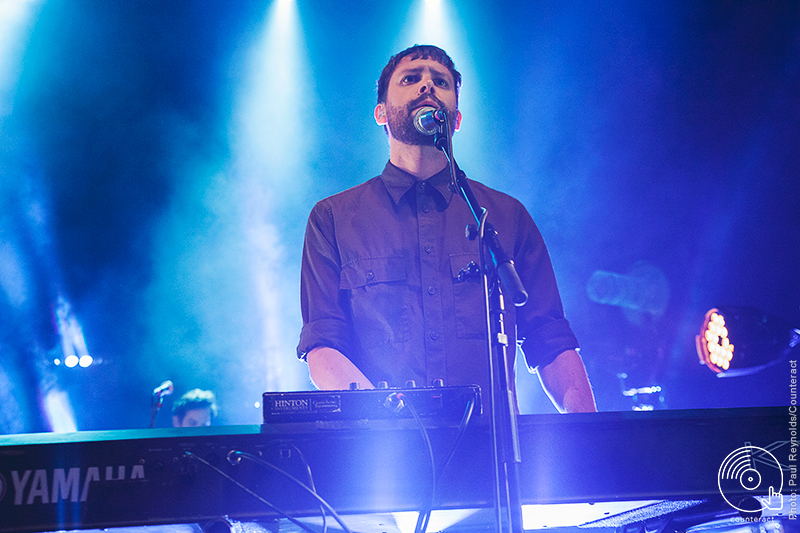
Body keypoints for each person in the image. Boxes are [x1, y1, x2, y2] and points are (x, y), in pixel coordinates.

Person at [297, 45, 596, 413]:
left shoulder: (505, 215)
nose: (427, 86)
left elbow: (550, 341)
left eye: (440, 82)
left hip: (492, 453)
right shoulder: (333, 217)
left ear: (455, 120)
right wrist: (388, 423)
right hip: (382, 453)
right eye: (411, 79)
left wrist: (589, 440)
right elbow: (323, 347)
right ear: (381, 114)